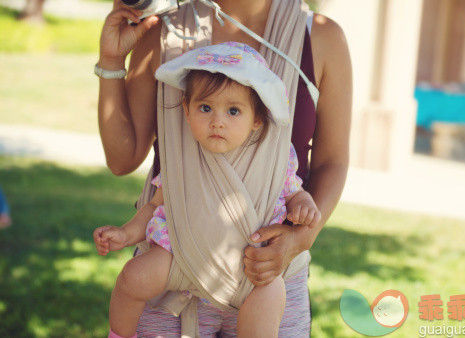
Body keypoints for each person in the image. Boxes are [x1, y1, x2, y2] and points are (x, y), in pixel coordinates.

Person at [96, 0, 352, 336]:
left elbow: (332, 161)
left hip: (267, 273)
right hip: (170, 264)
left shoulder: (319, 37)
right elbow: (122, 159)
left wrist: (299, 239)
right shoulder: (165, 30)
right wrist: (113, 59)